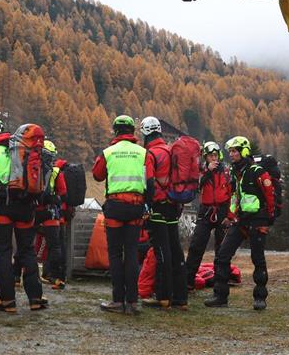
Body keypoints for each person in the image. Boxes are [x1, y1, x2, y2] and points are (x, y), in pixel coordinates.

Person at [0, 121, 48, 312]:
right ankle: (35, 298)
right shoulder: (26, 149)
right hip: (26, 207)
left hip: (5, 207)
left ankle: (7, 300)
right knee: (27, 251)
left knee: (3, 252)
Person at [91, 115, 156, 315]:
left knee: (115, 254)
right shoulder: (143, 153)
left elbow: (97, 175)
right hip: (136, 208)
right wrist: (147, 205)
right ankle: (133, 302)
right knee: (132, 252)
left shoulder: (108, 152)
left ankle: (117, 301)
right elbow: (151, 183)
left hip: (115, 208)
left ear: (116, 131)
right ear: (132, 132)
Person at [204, 136, 274, 311]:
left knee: (258, 259)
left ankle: (260, 298)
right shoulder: (236, 173)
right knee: (222, 255)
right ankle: (220, 295)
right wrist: (230, 216)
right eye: (230, 152)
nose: (231, 154)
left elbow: (270, 196)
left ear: (244, 151)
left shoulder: (257, 171)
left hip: (257, 220)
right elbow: (235, 197)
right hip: (240, 220)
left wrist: (267, 218)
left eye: (234, 151)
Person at [138, 116, 188, 310]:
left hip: (157, 206)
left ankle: (163, 296)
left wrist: (147, 205)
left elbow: (148, 182)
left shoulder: (151, 153)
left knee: (162, 252)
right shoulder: (171, 151)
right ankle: (181, 298)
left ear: (145, 133)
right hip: (173, 206)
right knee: (176, 251)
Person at [185, 141, 231, 287]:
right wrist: (208, 171)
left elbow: (233, 193)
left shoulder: (226, 172)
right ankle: (188, 280)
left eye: (215, 155)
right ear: (206, 157)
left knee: (222, 248)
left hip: (222, 210)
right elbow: (196, 185)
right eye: (211, 156)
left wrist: (230, 215)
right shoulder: (201, 172)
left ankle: (220, 280)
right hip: (205, 210)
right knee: (196, 245)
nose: (214, 158)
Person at [39, 139, 68, 290]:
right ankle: (56, 277)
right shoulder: (56, 171)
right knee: (55, 245)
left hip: (33, 211)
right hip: (50, 212)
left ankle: (17, 276)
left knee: (26, 243)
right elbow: (62, 192)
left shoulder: (31, 167)